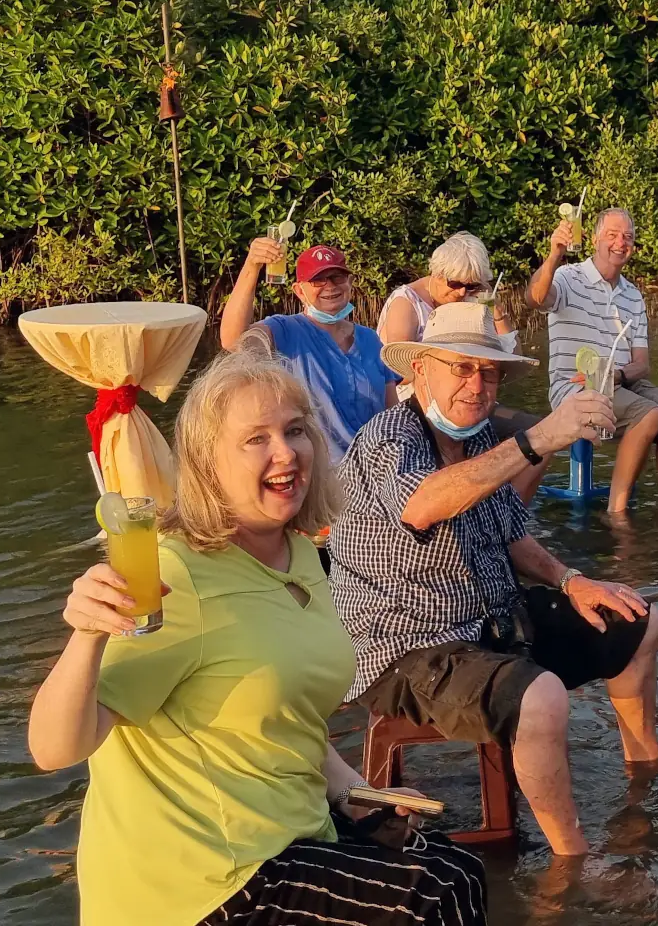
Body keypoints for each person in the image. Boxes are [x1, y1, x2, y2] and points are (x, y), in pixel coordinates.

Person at [27, 349, 485, 926]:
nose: (286, 452)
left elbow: (286, 720)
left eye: (295, 430)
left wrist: (358, 796)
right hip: (200, 883)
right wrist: (87, 635)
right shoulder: (174, 576)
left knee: (455, 865)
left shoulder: (299, 554)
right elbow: (54, 748)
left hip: (286, 833)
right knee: (432, 894)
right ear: (207, 464)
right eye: (255, 439)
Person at [329, 302, 658, 859]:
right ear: (421, 370)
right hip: (404, 642)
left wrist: (571, 579)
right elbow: (423, 505)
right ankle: (572, 858)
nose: (477, 385)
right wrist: (537, 440)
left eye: (489, 372)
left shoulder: (481, 437)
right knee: (541, 698)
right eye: (461, 368)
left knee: (637, 619)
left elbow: (512, 536)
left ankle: (645, 768)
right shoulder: (390, 436)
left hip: (493, 617)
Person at [526, 208, 658, 511]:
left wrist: (618, 376)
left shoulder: (633, 295)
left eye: (628, 237)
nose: (620, 243)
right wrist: (555, 254)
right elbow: (534, 298)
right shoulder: (568, 277)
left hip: (620, 381)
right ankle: (617, 511)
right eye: (612, 235)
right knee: (649, 414)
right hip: (574, 386)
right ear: (595, 239)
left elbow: (642, 364)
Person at [220, 239, 396, 462]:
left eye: (337, 277)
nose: (330, 286)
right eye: (318, 280)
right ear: (299, 291)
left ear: (350, 282)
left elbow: (392, 411)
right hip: (321, 470)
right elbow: (232, 340)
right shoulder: (284, 330)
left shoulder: (370, 339)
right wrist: (252, 266)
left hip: (379, 464)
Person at [376, 231, 517, 349]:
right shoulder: (407, 303)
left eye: (471, 285)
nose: (462, 292)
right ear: (437, 274)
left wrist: (497, 313)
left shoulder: (477, 295)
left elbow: (514, 354)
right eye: (456, 284)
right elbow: (398, 365)